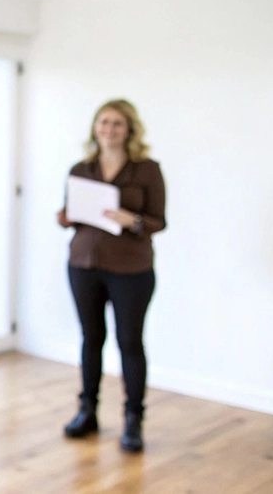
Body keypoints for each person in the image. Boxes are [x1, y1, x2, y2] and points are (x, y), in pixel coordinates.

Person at [57, 99, 166, 453]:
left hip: (131, 269)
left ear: (129, 129)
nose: (109, 129)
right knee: (91, 339)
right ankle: (86, 411)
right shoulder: (81, 169)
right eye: (103, 122)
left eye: (117, 123)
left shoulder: (147, 170)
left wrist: (130, 220)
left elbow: (158, 221)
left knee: (130, 343)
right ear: (95, 127)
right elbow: (66, 215)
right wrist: (68, 214)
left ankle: (133, 420)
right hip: (84, 264)